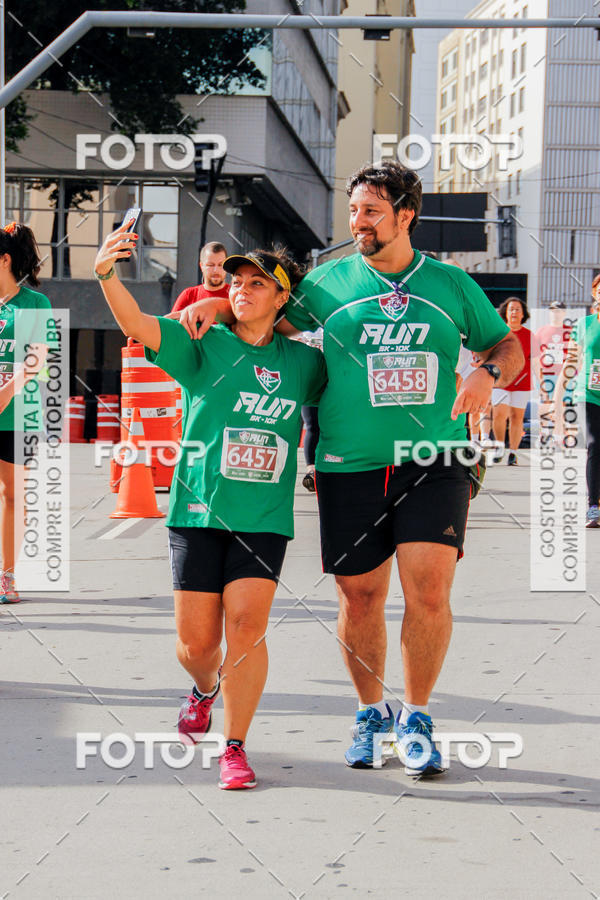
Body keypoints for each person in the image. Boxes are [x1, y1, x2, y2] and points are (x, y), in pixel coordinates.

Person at [175, 161, 524, 776]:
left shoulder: (450, 284)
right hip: (348, 464)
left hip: (433, 458)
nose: (358, 223)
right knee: (360, 597)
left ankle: (417, 716)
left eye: (371, 212)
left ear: (405, 216)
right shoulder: (328, 283)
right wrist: (219, 309)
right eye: (354, 211)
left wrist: (486, 372)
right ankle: (370, 713)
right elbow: (264, 308)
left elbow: (507, 345)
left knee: (429, 590)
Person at [94, 227, 326, 789]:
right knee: (197, 647)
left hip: (263, 519)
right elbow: (137, 325)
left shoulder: (304, 363)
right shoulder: (202, 343)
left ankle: (235, 747)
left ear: (282, 298)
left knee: (247, 627)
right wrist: (105, 273)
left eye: (257, 284)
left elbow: (348, 362)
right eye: (236, 282)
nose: (241, 289)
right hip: (197, 514)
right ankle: (204, 687)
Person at [0, 223, 52, 604]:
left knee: (12, 494)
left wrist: (6, 392)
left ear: (4, 260)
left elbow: (36, 359)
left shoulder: (35, 304)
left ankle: (7, 575)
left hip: (18, 415)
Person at [554, 279, 600, 528]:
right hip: (588, 394)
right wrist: (557, 402)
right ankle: (593, 507)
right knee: (594, 444)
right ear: (594, 294)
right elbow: (571, 364)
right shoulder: (584, 325)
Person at [491, 297, 531, 466]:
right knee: (499, 414)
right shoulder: (498, 333)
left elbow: (535, 360)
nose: (514, 312)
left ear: (523, 314)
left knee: (517, 417)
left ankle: (513, 453)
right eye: (511, 309)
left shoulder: (529, 335)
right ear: (505, 313)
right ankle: (500, 446)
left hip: (522, 382)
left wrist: (542, 381)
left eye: (517, 309)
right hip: (501, 381)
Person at [170, 241, 229, 313]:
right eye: (210, 265)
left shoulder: (235, 296)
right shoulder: (189, 295)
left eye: (220, 265)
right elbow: (171, 320)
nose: (216, 270)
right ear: (201, 266)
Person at [298, 328, 323, 492]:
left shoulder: (334, 322)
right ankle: (311, 470)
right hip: (309, 381)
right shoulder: (301, 325)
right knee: (312, 424)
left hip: (332, 380)